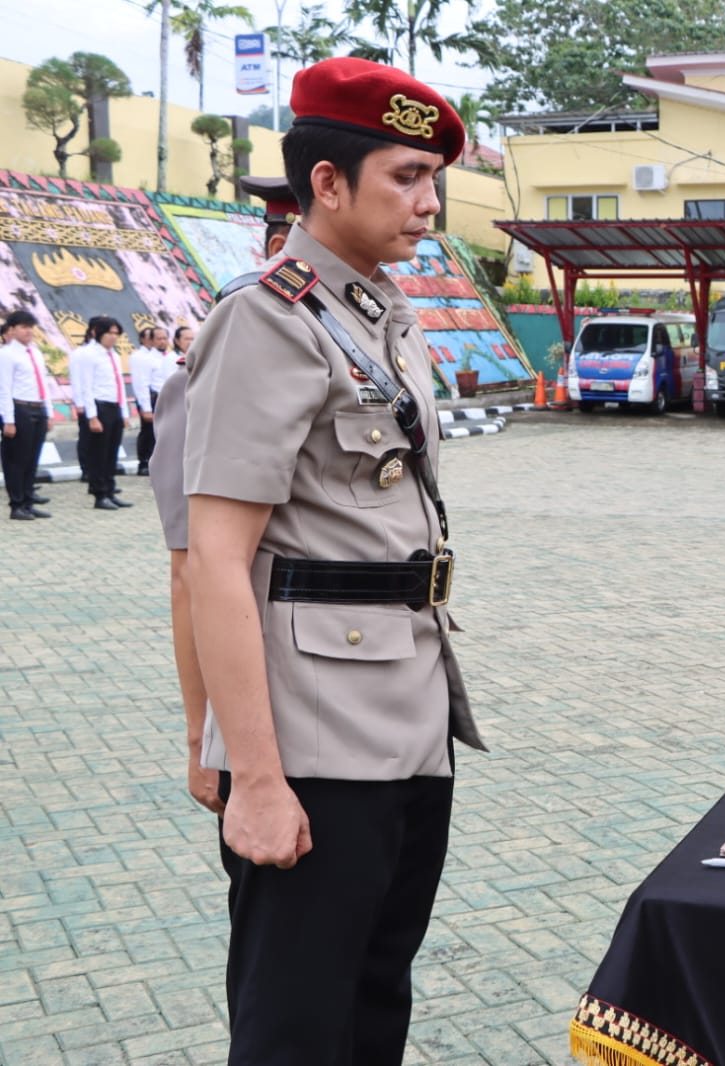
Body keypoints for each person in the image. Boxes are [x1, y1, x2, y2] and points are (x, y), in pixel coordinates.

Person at [182, 57, 483, 1064]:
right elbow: (214, 560)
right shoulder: (267, 319)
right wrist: (252, 777)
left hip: (408, 713)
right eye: (406, 175)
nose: (428, 202)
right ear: (326, 182)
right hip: (312, 740)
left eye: (434, 179)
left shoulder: (378, 315)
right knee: (297, 1024)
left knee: (372, 1002)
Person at [150, 177, 296, 821]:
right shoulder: (219, 357)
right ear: (279, 243)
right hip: (258, 710)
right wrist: (202, 738)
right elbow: (191, 573)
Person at [69, 315, 132, 511]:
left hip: (114, 406)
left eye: (116, 333)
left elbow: (119, 384)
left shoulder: (112, 354)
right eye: (110, 333)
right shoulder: (88, 354)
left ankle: (110, 490)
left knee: (112, 452)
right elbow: (86, 386)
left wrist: (124, 411)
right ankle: (99, 493)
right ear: (98, 333)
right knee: (99, 453)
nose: (113, 337)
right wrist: (92, 416)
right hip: (99, 406)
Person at [0, 310, 53, 519]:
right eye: (23, 327)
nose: (28, 331)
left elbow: (44, 385)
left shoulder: (35, 352)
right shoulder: (6, 354)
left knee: (32, 459)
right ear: (11, 330)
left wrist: (48, 413)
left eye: (31, 326)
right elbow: (4, 389)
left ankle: (29, 501)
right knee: (16, 459)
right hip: (19, 408)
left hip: (38, 407)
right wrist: (9, 420)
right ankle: (17, 504)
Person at [130, 325, 170, 475]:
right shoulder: (145, 359)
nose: (162, 341)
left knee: (164, 432)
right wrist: (145, 408)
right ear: (151, 340)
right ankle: (144, 462)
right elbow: (142, 384)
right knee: (148, 432)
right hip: (153, 399)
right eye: (159, 338)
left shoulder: (168, 357)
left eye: (165, 338)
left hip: (166, 398)